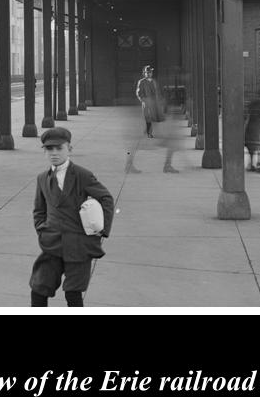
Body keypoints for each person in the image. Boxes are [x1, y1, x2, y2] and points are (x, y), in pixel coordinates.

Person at [29, 127, 115, 308]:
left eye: (59, 148)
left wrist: (102, 231)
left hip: (79, 246)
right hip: (52, 244)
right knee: (38, 289)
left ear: (69, 149)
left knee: (73, 295)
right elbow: (39, 209)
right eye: (49, 149)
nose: (54, 153)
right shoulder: (42, 178)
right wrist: (42, 231)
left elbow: (106, 199)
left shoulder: (83, 175)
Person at [136, 65, 165, 137]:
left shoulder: (154, 81)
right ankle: (149, 133)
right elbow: (139, 93)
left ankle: (148, 129)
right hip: (146, 102)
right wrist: (143, 100)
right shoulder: (141, 82)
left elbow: (157, 91)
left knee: (153, 117)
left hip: (154, 102)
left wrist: (159, 100)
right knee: (148, 117)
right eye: (147, 72)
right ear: (144, 73)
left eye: (150, 72)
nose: (149, 74)